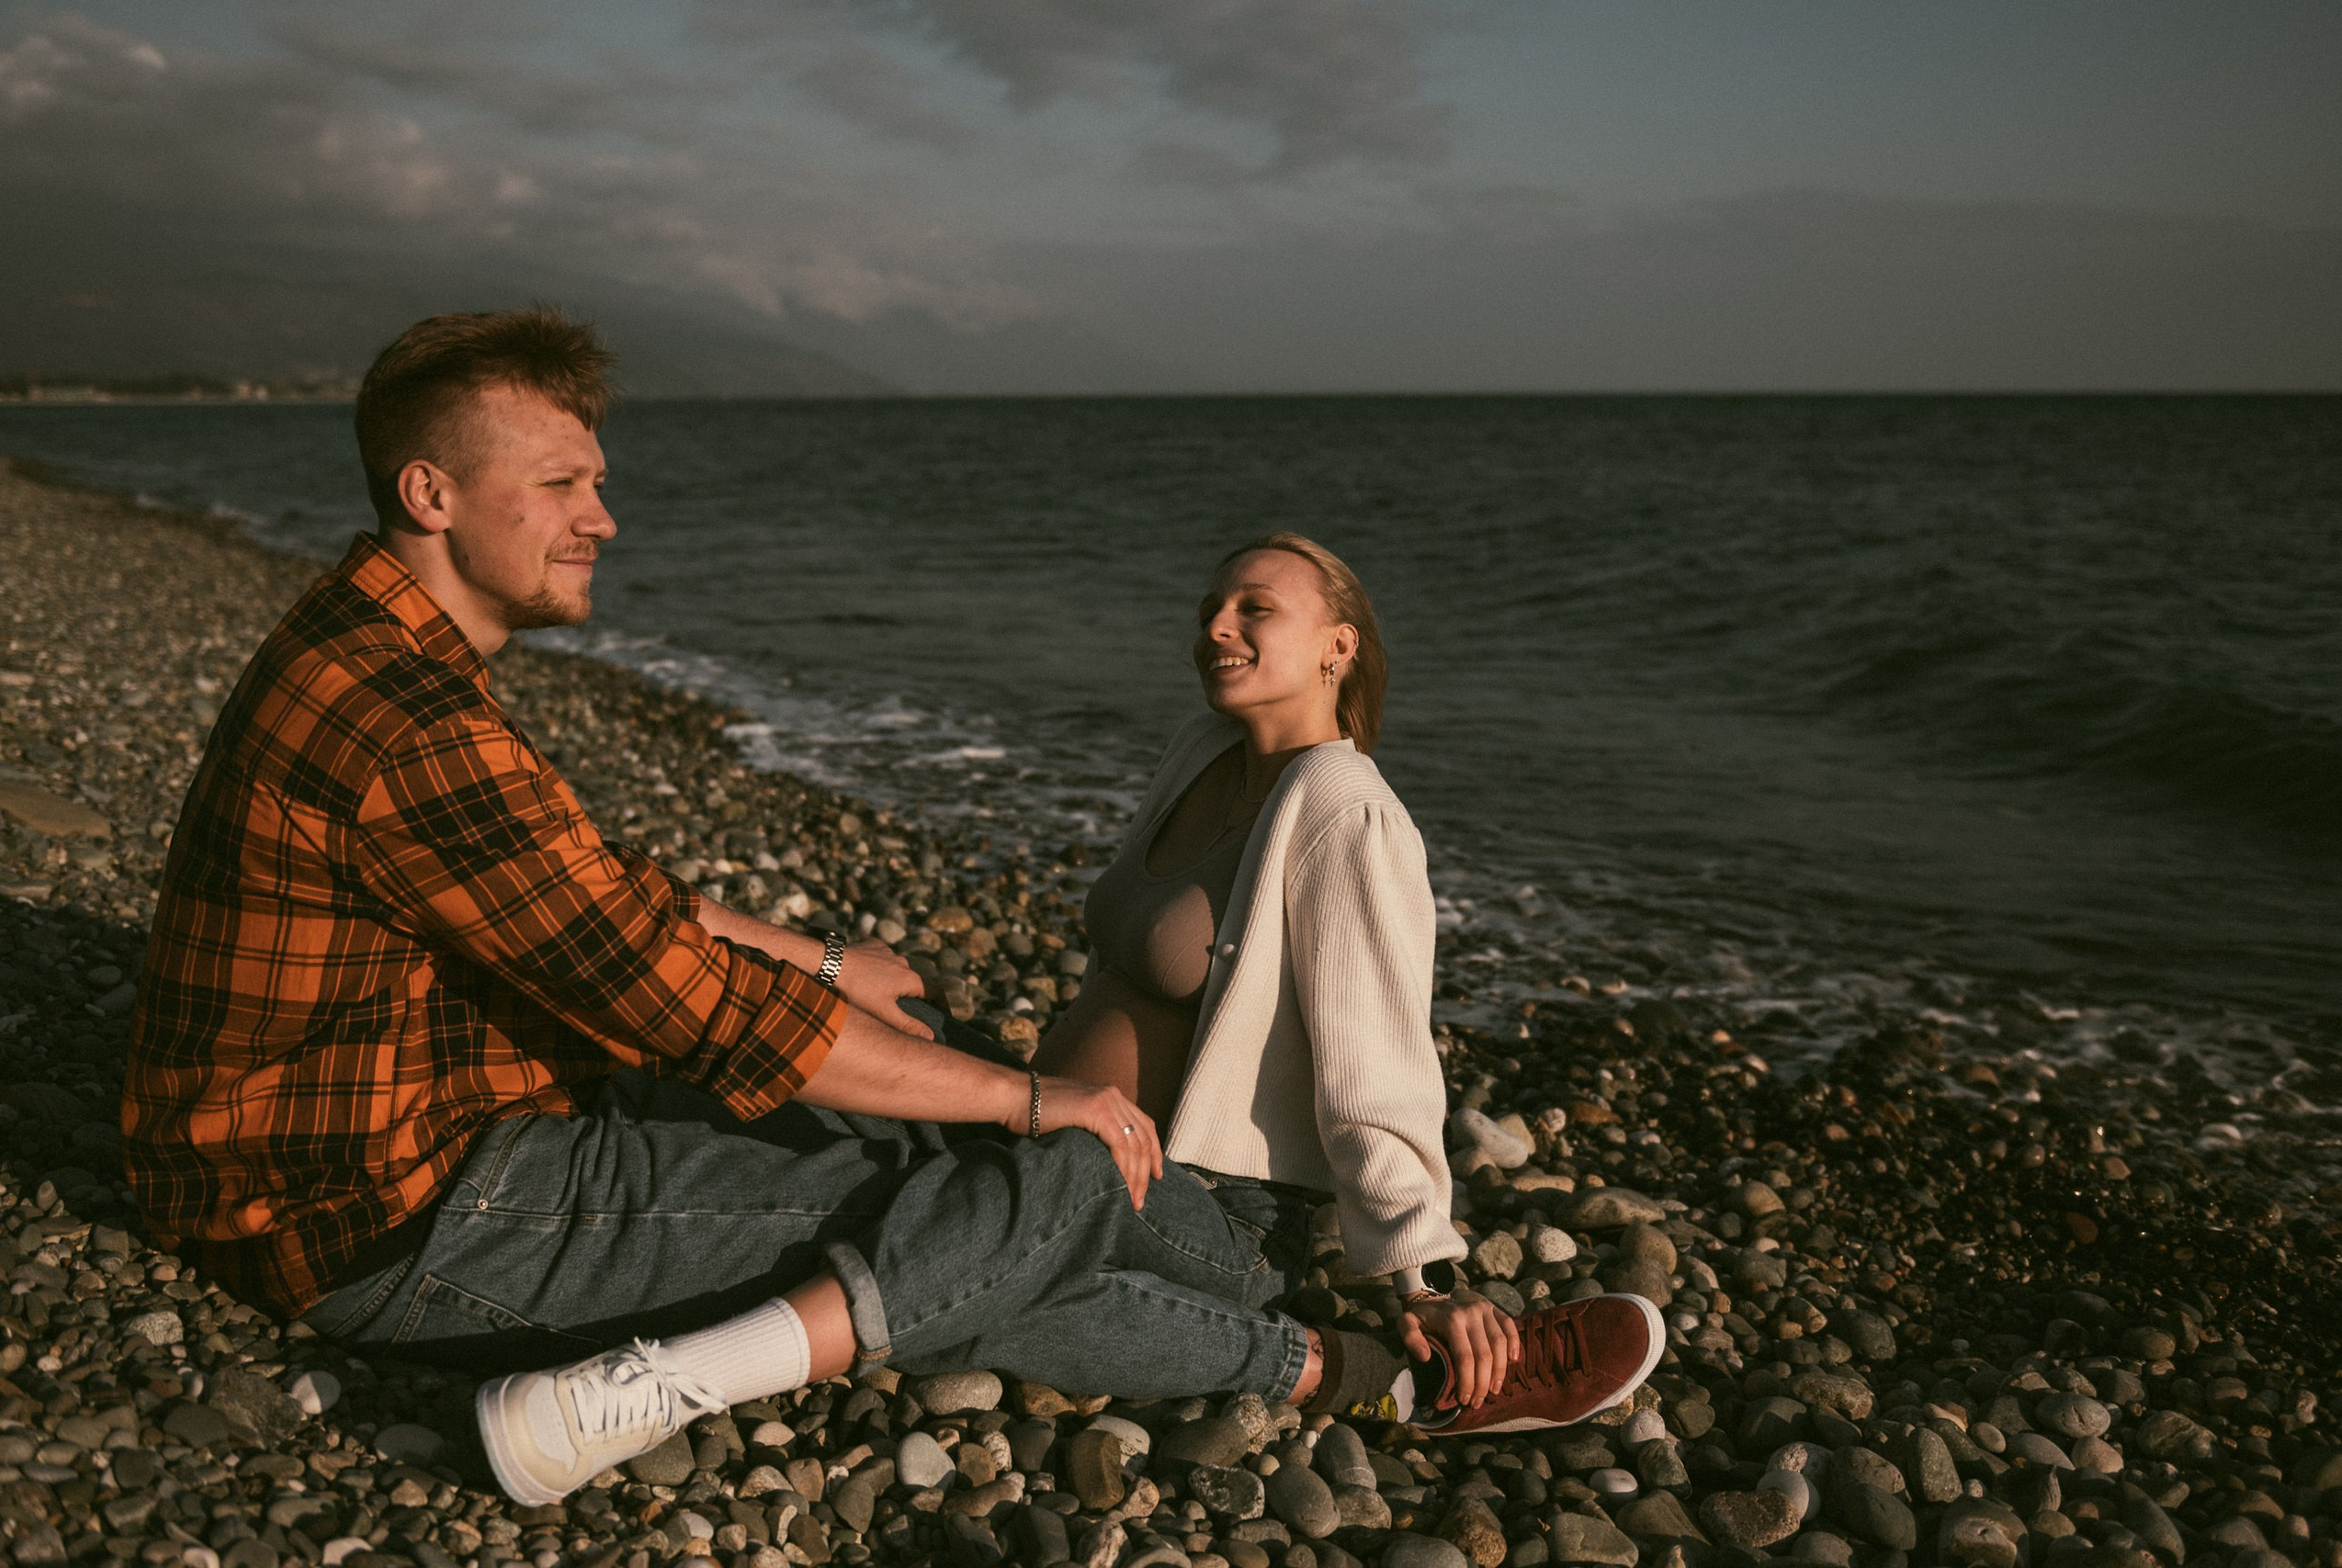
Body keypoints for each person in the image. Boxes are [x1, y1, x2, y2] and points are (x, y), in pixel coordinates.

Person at [122, 309, 1412, 1508]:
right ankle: (1313, 1363)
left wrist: (828, 954)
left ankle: (1288, 1321)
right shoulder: (404, 717)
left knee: (967, 1142)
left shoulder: (373, 650)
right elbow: (696, 1006)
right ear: (431, 492)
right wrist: (1032, 1098)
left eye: (599, 482)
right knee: (1016, 1185)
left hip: (374, 1144)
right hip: (385, 1213)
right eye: (563, 484)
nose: (602, 519)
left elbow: (588, 888)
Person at [1036, 534, 1663, 1433]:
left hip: (1200, 1210)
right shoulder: (1202, 748)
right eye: (1209, 609)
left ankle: (1404, 1384)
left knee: (957, 1243)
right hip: (1056, 1138)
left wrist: (1425, 1277)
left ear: (1339, 647)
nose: (1215, 626)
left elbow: (1375, 1060)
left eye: (1255, 609)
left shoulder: (1344, 807)